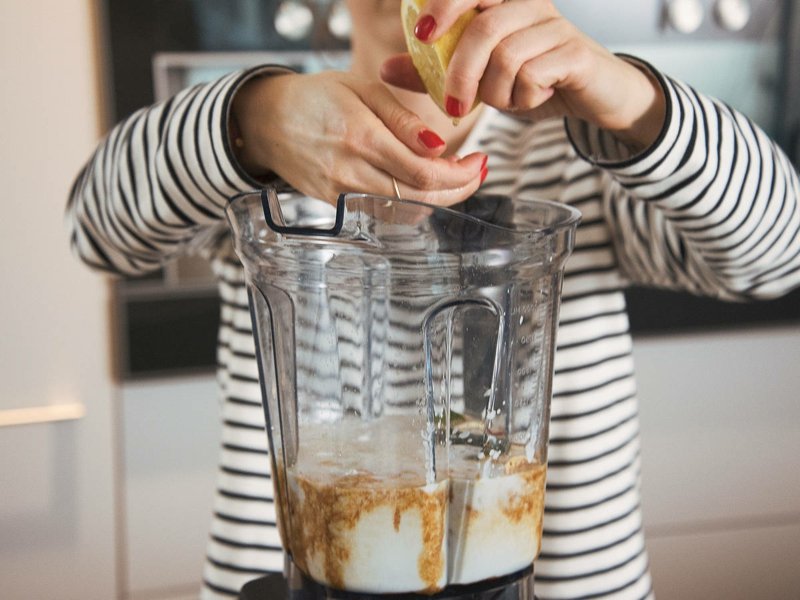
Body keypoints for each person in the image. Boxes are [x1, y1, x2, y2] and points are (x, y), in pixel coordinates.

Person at [66, 1, 800, 598]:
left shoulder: (577, 167)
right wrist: (254, 121)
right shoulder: (268, 165)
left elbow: (778, 253)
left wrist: (633, 102)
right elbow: (98, 230)